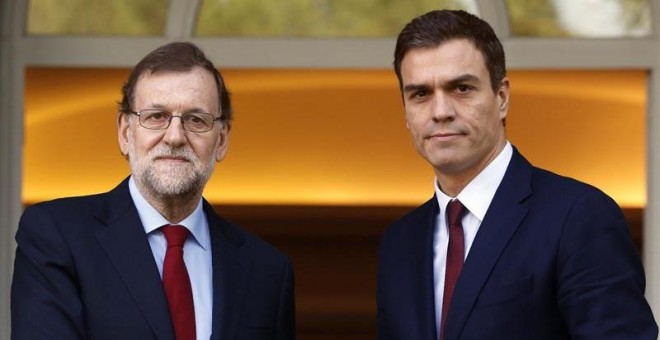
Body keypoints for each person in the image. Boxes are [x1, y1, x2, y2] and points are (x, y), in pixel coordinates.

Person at [377, 9, 657, 339]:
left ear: (502, 97)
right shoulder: (399, 243)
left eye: (462, 88)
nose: (440, 112)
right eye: (420, 94)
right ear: (406, 112)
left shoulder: (579, 217)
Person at [11, 42, 295, 340]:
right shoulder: (57, 236)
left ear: (221, 140)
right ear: (125, 133)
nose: (174, 136)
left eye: (196, 120)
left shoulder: (267, 272)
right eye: (156, 116)